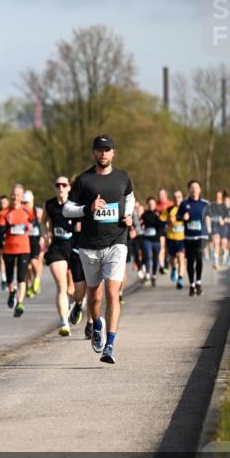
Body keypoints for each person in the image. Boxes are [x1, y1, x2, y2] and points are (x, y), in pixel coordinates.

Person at [63, 135, 136, 364]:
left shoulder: (123, 177)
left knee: (113, 292)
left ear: (114, 153)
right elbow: (67, 209)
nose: (103, 154)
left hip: (116, 241)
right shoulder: (84, 181)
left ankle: (110, 345)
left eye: (107, 150)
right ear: (93, 153)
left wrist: (128, 214)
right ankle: (96, 325)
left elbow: (130, 197)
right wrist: (88, 208)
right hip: (89, 246)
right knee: (94, 295)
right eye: (99, 150)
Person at [42, 176, 76, 335]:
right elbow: (43, 222)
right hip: (56, 248)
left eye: (64, 185)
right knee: (62, 287)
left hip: (74, 247)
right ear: (55, 188)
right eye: (58, 185)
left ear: (69, 187)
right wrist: (45, 234)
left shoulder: (75, 204)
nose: (61, 187)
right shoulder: (49, 205)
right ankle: (64, 323)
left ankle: (76, 305)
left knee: (72, 289)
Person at [0, 184, 34, 317]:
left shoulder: (27, 210)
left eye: (18, 195)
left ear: (22, 196)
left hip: (24, 247)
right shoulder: (5, 212)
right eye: (13, 194)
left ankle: (19, 303)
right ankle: (12, 291)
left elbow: (34, 222)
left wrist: (30, 225)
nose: (15, 197)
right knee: (9, 276)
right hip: (9, 248)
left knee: (21, 277)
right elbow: (0, 231)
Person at [178, 180, 212, 297]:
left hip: (201, 235)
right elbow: (178, 217)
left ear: (200, 190)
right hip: (188, 237)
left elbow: (210, 216)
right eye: (192, 187)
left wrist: (210, 231)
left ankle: (198, 283)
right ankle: (192, 285)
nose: (194, 189)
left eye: (196, 187)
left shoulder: (205, 204)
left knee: (199, 258)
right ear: (189, 190)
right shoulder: (184, 203)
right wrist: (183, 217)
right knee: (190, 261)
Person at [163, 189, 187, 289]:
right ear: (172, 199)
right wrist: (169, 220)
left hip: (182, 238)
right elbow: (161, 221)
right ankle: (173, 268)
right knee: (173, 258)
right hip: (171, 238)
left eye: (179, 197)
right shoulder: (169, 210)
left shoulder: (186, 209)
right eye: (175, 197)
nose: (177, 199)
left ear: (182, 198)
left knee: (181, 257)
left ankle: (180, 279)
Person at [140, 197, 166, 286]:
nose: (151, 205)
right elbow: (142, 223)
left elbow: (162, 224)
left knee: (155, 258)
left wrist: (158, 220)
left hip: (156, 239)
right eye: (149, 203)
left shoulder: (159, 213)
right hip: (147, 239)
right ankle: (147, 272)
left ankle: (154, 275)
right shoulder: (144, 214)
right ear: (147, 205)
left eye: (153, 203)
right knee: (147, 255)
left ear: (155, 204)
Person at [23, 190, 45, 298]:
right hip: (24, 240)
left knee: (34, 262)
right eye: (24, 202)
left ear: (32, 201)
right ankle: (29, 285)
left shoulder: (38, 211)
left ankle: (36, 279)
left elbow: (42, 225)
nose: (26, 205)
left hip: (36, 239)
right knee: (27, 267)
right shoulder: (21, 211)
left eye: (28, 202)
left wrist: (42, 237)